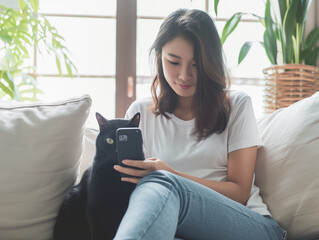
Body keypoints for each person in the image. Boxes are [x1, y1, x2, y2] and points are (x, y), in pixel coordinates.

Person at [113, 8, 287, 240]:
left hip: (250, 225)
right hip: (177, 228)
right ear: (159, 58)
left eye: (196, 65)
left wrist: (171, 175)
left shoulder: (236, 105)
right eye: (173, 62)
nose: (184, 75)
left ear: (211, 63)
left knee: (162, 183)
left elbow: (240, 193)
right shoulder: (140, 113)